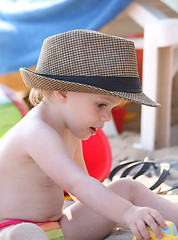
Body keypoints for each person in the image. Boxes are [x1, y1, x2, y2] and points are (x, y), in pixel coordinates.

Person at [0, 29, 177, 240]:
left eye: (111, 108)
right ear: (63, 91)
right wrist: (127, 212)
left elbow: (84, 187)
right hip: (13, 227)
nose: (107, 117)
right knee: (23, 235)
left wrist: (121, 209)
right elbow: (77, 183)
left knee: (126, 188)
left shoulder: (69, 130)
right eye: (101, 104)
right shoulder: (36, 132)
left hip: (60, 227)